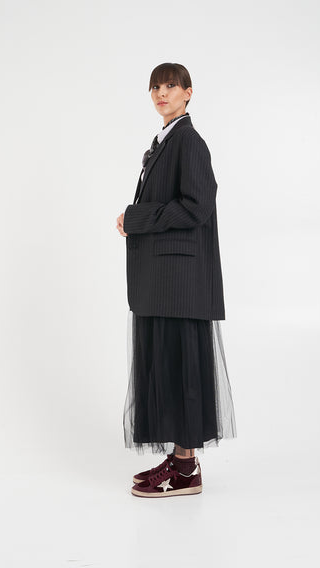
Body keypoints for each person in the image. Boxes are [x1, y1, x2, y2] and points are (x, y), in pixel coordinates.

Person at [116, 62, 236, 498]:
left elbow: (198, 205)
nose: (161, 93)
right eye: (155, 87)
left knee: (183, 371)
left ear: (188, 92)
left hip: (180, 283)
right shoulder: (166, 140)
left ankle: (186, 471)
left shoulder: (188, 141)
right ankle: (182, 463)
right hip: (164, 281)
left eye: (170, 85)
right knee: (168, 368)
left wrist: (136, 218)